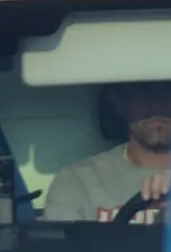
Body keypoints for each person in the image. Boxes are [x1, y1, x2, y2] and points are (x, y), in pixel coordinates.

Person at [44, 81, 171, 222]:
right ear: (119, 102)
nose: (157, 105)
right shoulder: (77, 182)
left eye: (168, 90)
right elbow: (61, 243)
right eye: (143, 90)